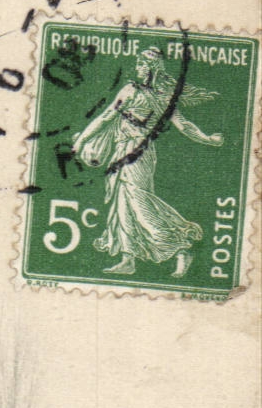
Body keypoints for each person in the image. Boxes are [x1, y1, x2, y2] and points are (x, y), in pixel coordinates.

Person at [71, 47, 224, 277]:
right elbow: (105, 117)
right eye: (138, 64)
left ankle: (181, 248)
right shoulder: (129, 89)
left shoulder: (162, 98)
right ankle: (128, 259)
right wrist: (81, 141)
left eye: (142, 65)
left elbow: (183, 125)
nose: (138, 68)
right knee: (122, 204)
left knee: (140, 204)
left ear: (152, 69)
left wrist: (208, 139)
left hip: (140, 154)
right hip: (121, 152)